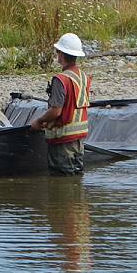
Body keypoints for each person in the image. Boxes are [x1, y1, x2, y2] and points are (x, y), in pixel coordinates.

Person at [30, 32, 91, 176]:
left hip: (63, 141)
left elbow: (56, 111)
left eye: (58, 51)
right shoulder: (83, 77)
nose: (57, 54)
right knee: (76, 177)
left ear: (62, 55)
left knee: (62, 180)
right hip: (78, 139)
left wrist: (39, 121)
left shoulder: (61, 79)